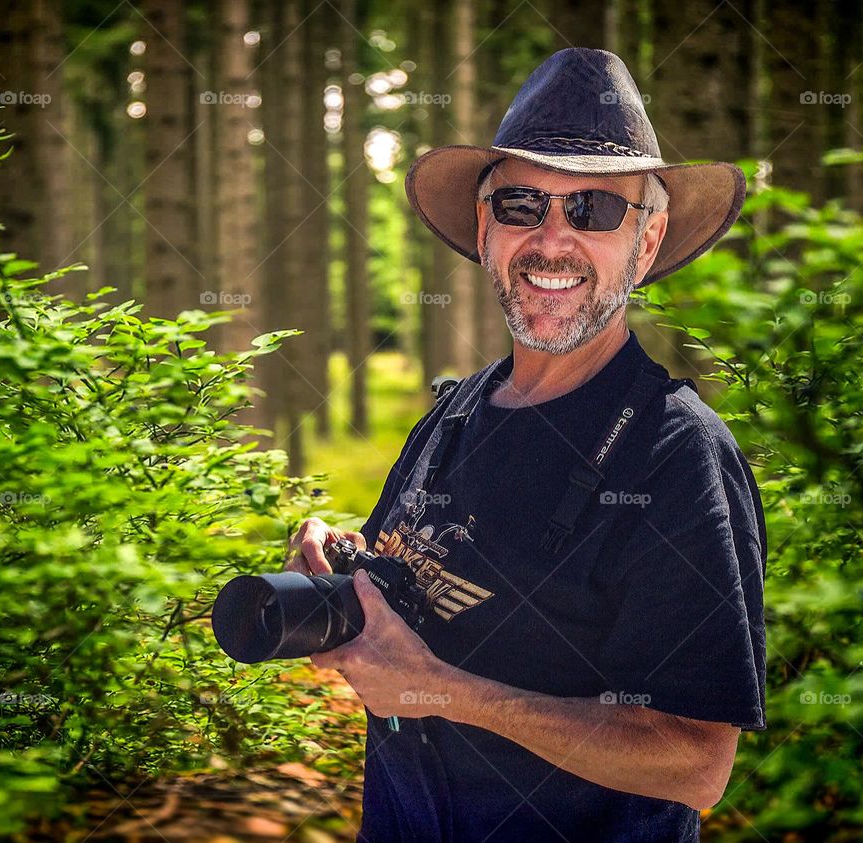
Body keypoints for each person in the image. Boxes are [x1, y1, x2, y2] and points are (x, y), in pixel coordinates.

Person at [286, 48, 766, 842]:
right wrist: (343, 559)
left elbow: (694, 762)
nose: (551, 239)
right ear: (485, 229)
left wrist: (439, 688)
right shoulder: (455, 412)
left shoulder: (676, 453)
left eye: (593, 210)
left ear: (645, 246)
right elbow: (433, 569)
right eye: (521, 204)